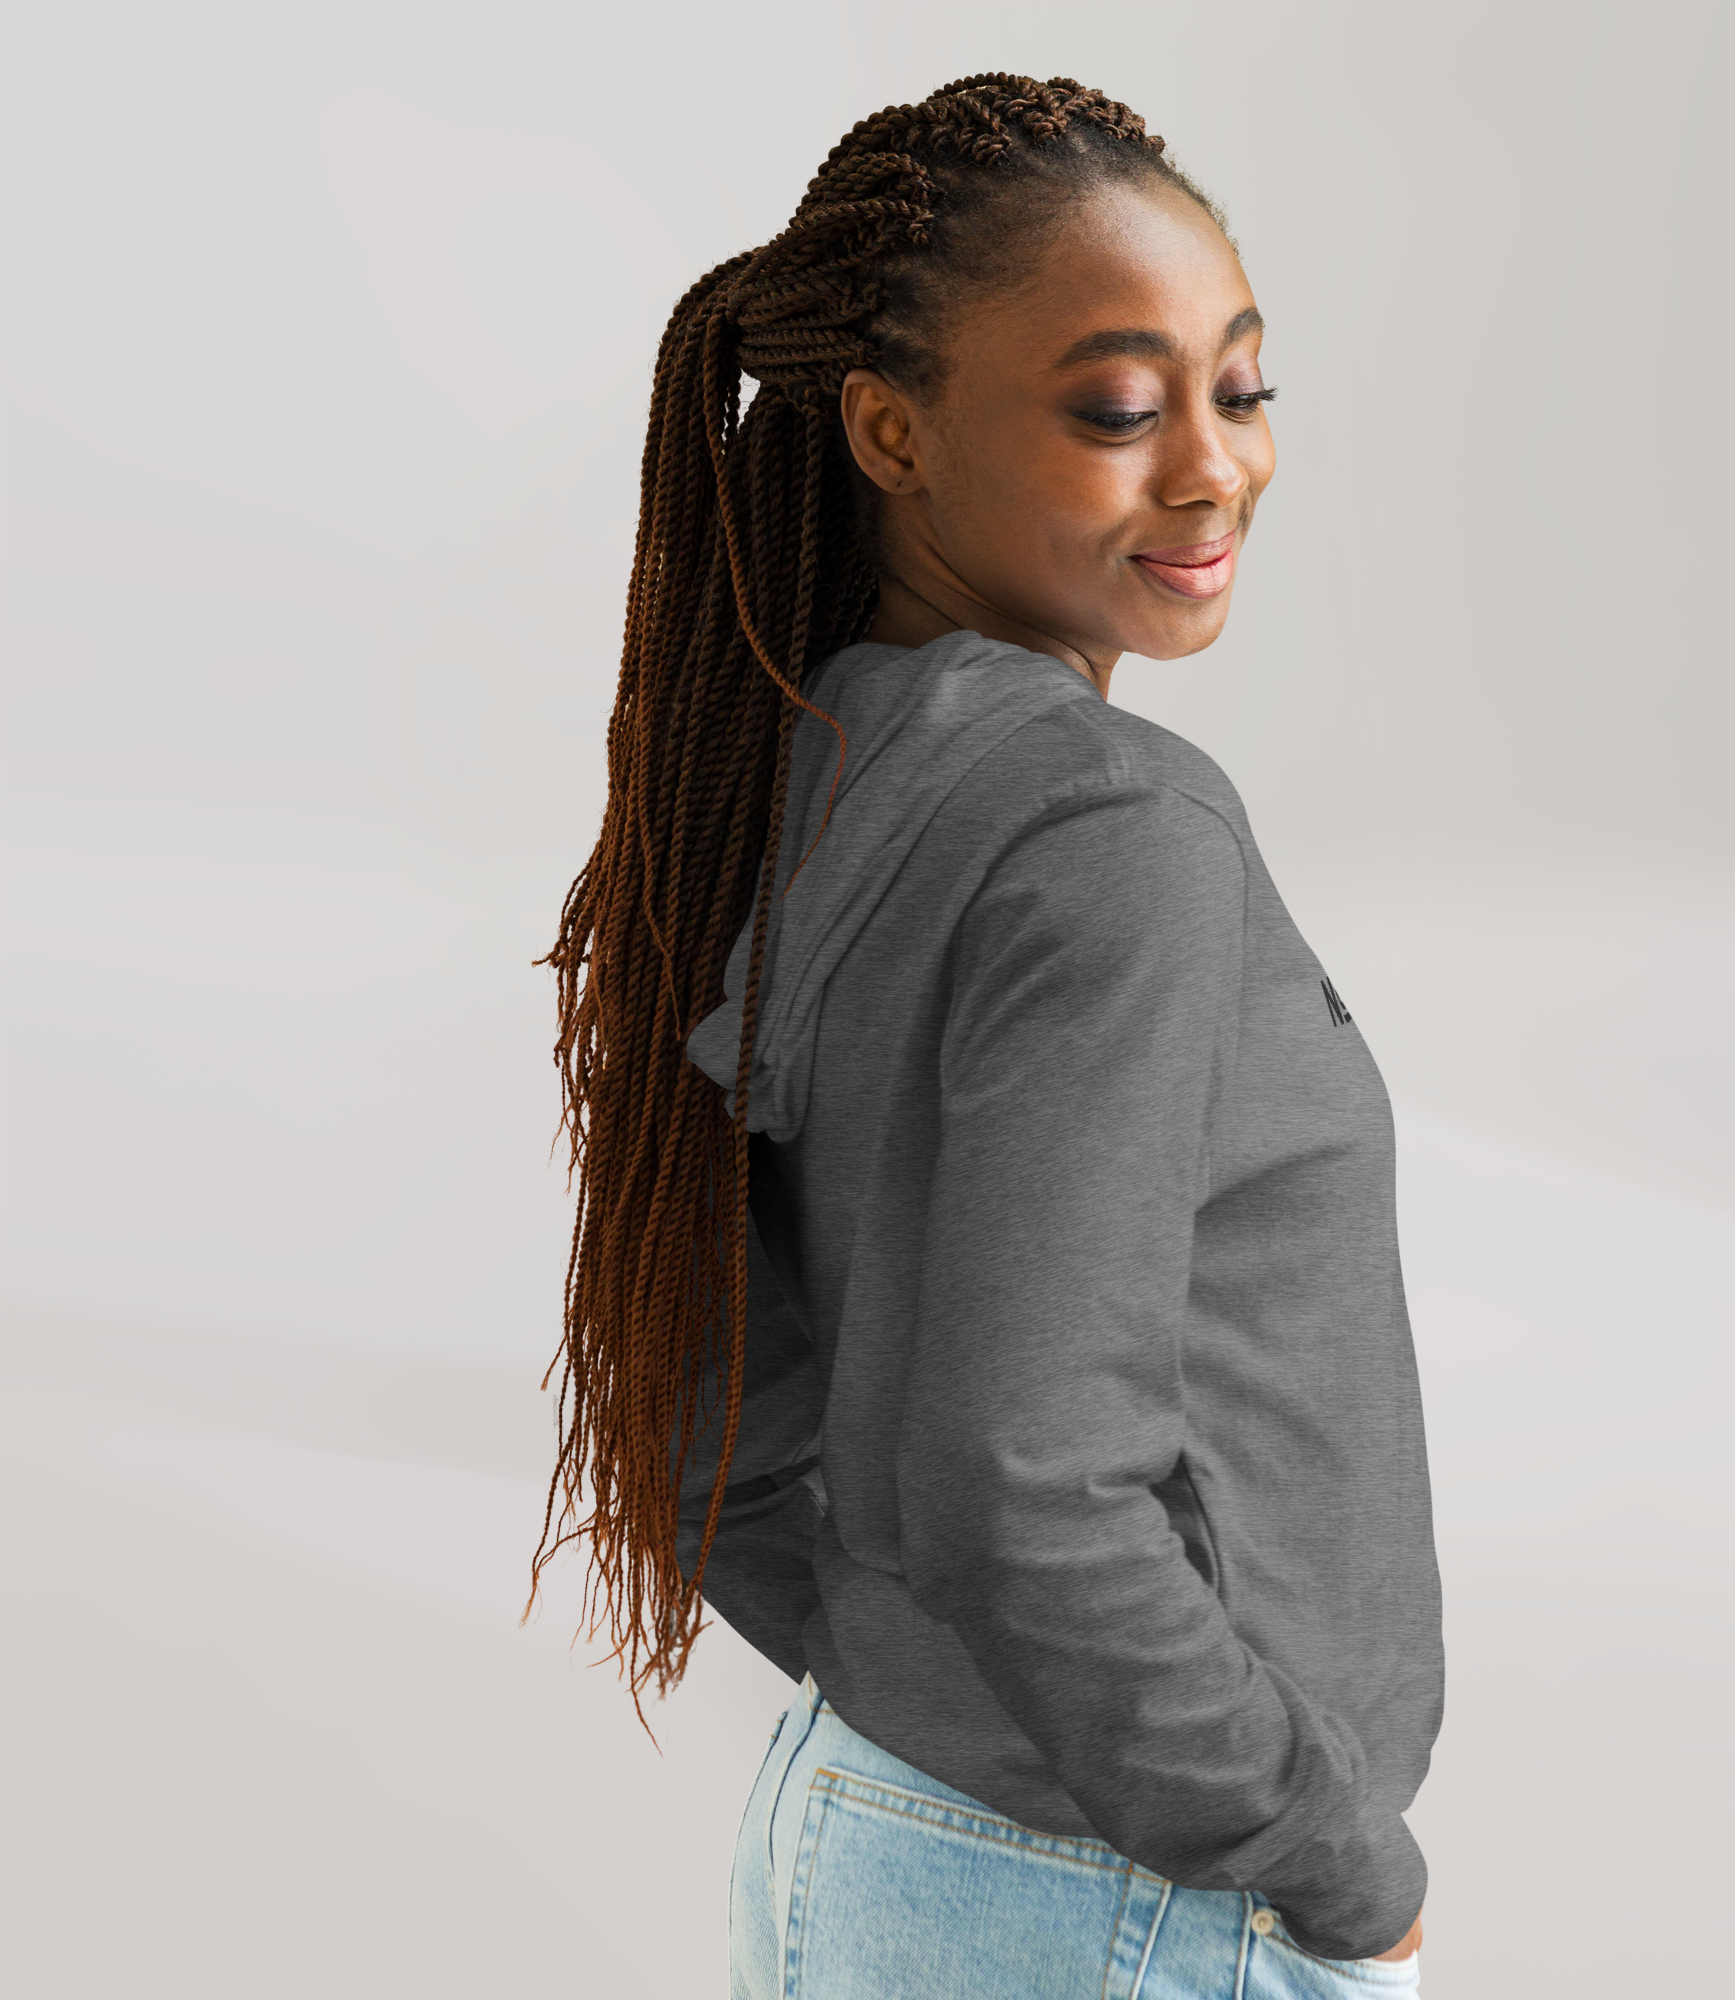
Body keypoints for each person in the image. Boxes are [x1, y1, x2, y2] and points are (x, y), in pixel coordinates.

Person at [532, 73, 1443, 1999]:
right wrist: (1328, 1858)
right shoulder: (1115, 831)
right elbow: (1026, 1482)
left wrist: (919, 1696)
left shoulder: (803, 771)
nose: (1214, 466)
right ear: (890, 430)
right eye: (1117, 409)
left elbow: (711, 1414)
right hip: (1123, 1900)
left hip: (886, 1834)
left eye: (1243, 387)